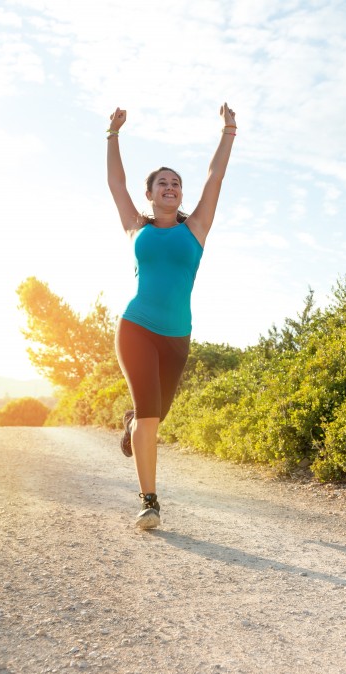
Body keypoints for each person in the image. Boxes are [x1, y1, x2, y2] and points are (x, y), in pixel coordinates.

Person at [106, 103, 237, 529]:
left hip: (177, 336)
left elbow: (215, 177)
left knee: (155, 415)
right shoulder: (135, 228)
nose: (171, 187)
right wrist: (113, 135)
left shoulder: (196, 227)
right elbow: (115, 183)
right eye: (163, 182)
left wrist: (228, 131)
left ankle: (132, 424)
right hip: (136, 327)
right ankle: (149, 501)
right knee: (150, 418)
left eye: (176, 183)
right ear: (150, 193)